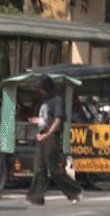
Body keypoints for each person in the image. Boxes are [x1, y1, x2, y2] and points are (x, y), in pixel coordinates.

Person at [26, 75, 83, 206]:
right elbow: (45, 119)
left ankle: (75, 191)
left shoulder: (56, 100)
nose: (39, 91)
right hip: (41, 137)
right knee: (39, 168)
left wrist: (48, 134)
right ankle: (36, 196)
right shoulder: (44, 101)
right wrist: (36, 120)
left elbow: (58, 119)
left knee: (54, 170)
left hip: (51, 138)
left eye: (40, 88)